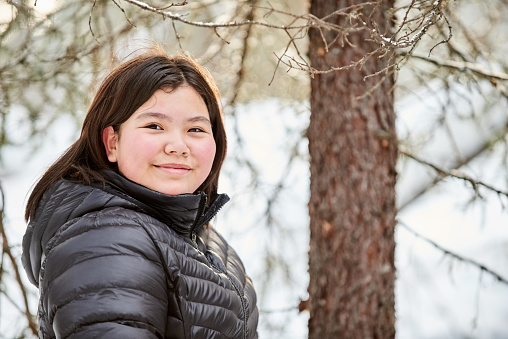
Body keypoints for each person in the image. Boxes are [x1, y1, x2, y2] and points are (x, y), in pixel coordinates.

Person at [22, 48, 259, 339]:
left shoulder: (190, 232)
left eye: (195, 129)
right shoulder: (107, 239)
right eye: (154, 125)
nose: (178, 145)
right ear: (112, 143)